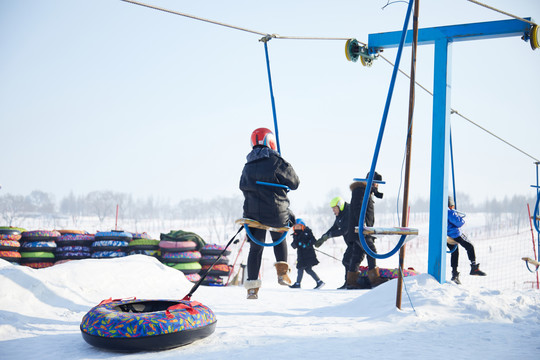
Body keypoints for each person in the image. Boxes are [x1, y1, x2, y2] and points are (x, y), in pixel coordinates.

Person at [239, 127, 300, 299]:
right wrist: (283, 162)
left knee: (256, 248)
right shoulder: (276, 161)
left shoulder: (247, 166)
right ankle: (282, 273)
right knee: (280, 234)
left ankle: (252, 287)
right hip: (276, 212)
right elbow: (295, 182)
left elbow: (242, 185)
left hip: (253, 214)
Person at [346, 172, 386, 289]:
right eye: (376, 184)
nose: (377, 186)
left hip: (361, 229)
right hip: (360, 230)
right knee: (371, 250)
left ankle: (351, 281)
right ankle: (374, 279)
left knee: (357, 254)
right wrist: (362, 225)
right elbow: (358, 208)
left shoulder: (366, 191)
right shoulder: (360, 191)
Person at [315, 196, 355, 289]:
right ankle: (349, 282)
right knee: (347, 261)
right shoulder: (340, 215)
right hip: (350, 243)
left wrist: (329, 236)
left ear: (340, 206)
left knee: (347, 260)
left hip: (356, 242)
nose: (333, 211)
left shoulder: (348, 212)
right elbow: (334, 227)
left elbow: (344, 230)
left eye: (334, 208)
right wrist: (323, 237)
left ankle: (350, 282)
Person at [447, 195, 487, 284]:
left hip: (446, 236)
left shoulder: (441, 211)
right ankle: (474, 267)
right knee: (469, 246)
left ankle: (454, 273)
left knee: (454, 252)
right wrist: (460, 218)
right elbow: (459, 223)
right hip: (455, 234)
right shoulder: (450, 212)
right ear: (451, 205)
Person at [289, 218, 325, 289]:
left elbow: (313, 240)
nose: (297, 228)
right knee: (307, 269)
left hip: (308, 254)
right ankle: (319, 282)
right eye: (296, 226)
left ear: (303, 226)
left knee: (301, 268)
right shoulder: (295, 234)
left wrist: (307, 245)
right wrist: (294, 244)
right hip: (301, 254)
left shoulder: (307, 232)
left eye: (299, 226)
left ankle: (298, 284)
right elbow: (295, 245)